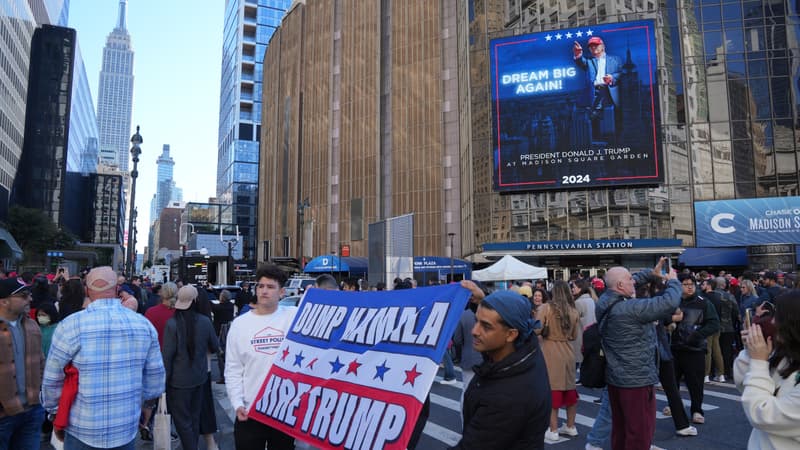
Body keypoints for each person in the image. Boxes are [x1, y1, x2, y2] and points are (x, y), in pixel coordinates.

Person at [41, 266, 165, 449]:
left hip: (81, 427)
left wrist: (54, 412)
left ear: (86, 290)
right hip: (125, 426)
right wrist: (147, 406)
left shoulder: (71, 325)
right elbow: (155, 376)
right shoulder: (143, 324)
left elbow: (52, 378)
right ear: (117, 290)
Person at [448, 290, 551, 449]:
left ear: (511, 334)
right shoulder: (527, 349)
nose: (474, 331)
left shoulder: (507, 398)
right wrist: (486, 300)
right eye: (477, 321)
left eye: (486, 326)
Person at [596, 260, 681, 450]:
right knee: (639, 434)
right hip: (637, 380)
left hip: (616, 378)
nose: (633, 282)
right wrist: (673, 281)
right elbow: (669, 302)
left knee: (621, 431)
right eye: (629, 279)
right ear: (619, 286)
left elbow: (626, 280)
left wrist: (652, 273)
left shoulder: (605, 300)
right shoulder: (630, 309)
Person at [225, 264, 298, 450]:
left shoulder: (293, 316)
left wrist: (317, 295)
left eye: (270, 287)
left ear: (282, 292)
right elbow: (233, 369)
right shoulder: (240, 324)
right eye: (261, 286)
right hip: (250, 410)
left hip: (283, 410)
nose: (264, 291)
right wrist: (237, 403)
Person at [734, 289, 800, 448]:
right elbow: (747, 387)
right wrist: (750, 351)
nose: (772, 322)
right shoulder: (788, 356)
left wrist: (758, 361)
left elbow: (761, 414)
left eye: (778, 317)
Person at [162, 285, 220, 450]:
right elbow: (215, 346)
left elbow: (167, 356)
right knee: (194, 419)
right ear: (195, 300)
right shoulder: (205, 321)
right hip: (200, 377)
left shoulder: (172, 324)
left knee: (182, 422)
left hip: (178, 382)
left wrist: (162, 384)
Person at [670, 273, 720, 426]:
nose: (690, 286)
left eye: (692, 283)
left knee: (696, 383)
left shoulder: (703, 302)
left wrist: (697, 335)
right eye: (685, 284)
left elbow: (714, 324)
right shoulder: (673, 301)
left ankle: (697, 410)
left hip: (695, 348)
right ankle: (674, 407)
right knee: (672, 382)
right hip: (674, 347)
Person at [0, 278, 45, 450]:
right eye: (24, 296)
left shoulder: (32, 326)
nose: (30, 300)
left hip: (32, 412)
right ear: (4, 301)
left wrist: (38, 393)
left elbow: (41, 363)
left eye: (30, 295)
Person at [536, 280, 581, 442]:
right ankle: (570, 426)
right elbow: (575, 335)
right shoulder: (573, 310)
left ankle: (553, 430)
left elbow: (536, 329)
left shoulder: (545, 308)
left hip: (550, 350)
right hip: (568, 351)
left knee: (552, 390)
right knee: (570, 389)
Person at [573, 36, 624, 140]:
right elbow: (581, 62)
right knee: (595, 121)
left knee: (614, 119)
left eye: (596, 45)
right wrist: (578, 56)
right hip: (595, 93)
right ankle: (598, 144)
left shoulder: (615, 59)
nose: (593, 48)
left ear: (603, 46)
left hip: (609, 92)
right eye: (591, 46)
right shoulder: (589, 61)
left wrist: (612, 77)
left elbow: (622, 73)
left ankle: (617, 142)